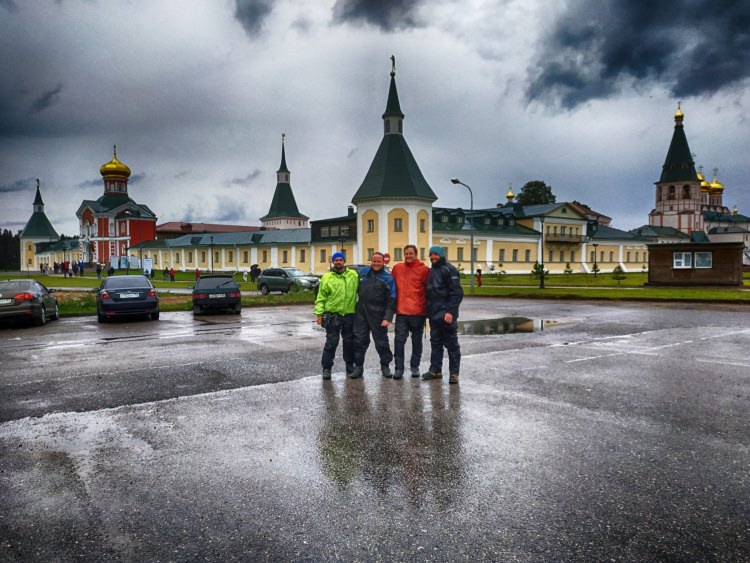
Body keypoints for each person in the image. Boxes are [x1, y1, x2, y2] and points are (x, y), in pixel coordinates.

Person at [314, 252, 359, 380]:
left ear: (344, 261)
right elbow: (321, 297)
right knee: (331, 342)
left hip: (349, 314)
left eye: (340, 260)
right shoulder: (327, 278)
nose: (338, 262)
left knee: (349, 342)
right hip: (332, 314)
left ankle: (350, 365)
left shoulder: (353, 275)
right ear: (333, 262)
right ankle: (327, 368)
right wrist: (319, 313)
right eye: (336, 260)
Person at [422, 246, 464, 384]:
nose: (433, 257)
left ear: (441, 255)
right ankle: (435, 370)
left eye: (435, 254)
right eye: (431, 254)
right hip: (434, 314)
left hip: (446, 314)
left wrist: (450, 312)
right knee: (436, 343)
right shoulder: (432, 271)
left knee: (452, 345)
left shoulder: (449, 269)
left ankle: (454, 373)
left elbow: (456, 292)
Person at [351, 252, 396, 379]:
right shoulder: (363, 273)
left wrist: (387, 317)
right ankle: (358, 367)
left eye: (379, 262)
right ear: (371, 261)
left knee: (381, 342)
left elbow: (392, 299)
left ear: (383, 262)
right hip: (361, 311)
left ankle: (385, 366)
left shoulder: (388, 278)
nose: (376, 264)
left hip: (378, 312)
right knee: (359, 340)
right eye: (374, 261)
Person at [391, 244, 429, 379]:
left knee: (417, 341)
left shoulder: (424, 270)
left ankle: (415, 367)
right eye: (406, 253)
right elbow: (391, 287)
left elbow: (429, 290)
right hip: (401, 312)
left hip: (418, 313)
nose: (408, 256)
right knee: (399, 341)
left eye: (410, 253)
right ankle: (399, 368)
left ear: (416, 254)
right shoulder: (397, 268)